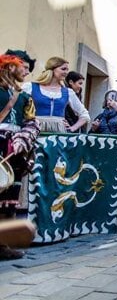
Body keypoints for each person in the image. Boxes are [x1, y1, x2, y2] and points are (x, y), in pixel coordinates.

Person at [0, 54, 40, 259]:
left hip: (13, 148)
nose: (26, 71)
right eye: (22, 67)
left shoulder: (23, 96)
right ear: (9, 67)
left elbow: (32, 122)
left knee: (9, 199)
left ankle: (3, 245)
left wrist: (23, 139)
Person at [22, 57, 89, 132]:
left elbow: (84, 114)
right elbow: (18, 107)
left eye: (67, 70)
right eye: (63, 69)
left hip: (59, 132)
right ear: (52, 69)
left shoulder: (68, 92)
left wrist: (72, 128)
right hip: (35, 129)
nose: (66, 72)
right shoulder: (30, 87)